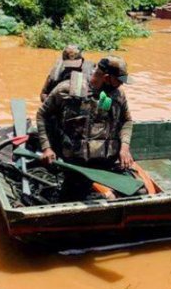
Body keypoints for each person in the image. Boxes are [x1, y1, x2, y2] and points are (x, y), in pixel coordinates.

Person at [36, 55, 136, 202]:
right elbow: (42, 115)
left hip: (108, 161)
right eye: (119, 81)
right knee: (72, 202)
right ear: (107, 78)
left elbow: (127, 120)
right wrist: (47, 148)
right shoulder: (66, 90)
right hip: (78, 164)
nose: (121, 85)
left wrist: (125, 148)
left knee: (139, 191)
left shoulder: (118, 94)